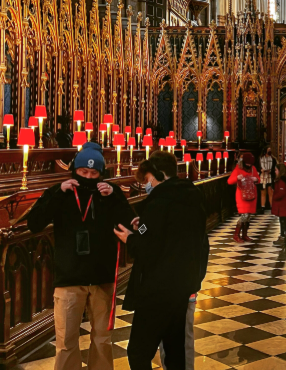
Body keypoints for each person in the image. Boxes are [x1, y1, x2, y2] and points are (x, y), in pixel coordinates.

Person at [27, 142, 135, 370]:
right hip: (69, 279)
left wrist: (114, 197)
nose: (88, 177)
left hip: (102, 278)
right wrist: (57, 192)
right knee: (66, 342)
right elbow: (34, 223)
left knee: (102, 340)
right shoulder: (61, 192)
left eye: (94, 173)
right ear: (74, 170)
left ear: (101, 173)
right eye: (83, 172)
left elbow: (134, 225)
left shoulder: (110, 193)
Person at [113, 152, 208, 370]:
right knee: (175, 352)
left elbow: (149, 249)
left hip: (158, 289)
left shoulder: (159, 202)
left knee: (138, 351)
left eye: (148, 180)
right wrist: (143, 227)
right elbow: (169, 234)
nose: (148, 185)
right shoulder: (191, 196)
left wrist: (130, 238)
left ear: (159, 174)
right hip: (183, 286)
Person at [228, 153, 259, 242]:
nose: (249, 165)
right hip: (242, 196)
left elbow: (258, 178)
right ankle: (236, 235)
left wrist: (256, 179)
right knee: (244, 215)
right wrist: (237, 177)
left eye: (250, 164)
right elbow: (229, 181)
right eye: (247, 163)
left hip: (252, 195)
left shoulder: (253, 169)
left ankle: (244, 235)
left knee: (248, 216)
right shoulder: (238, 169)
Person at [271, 163, 286, 245]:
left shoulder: (282, 181)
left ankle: (283, 237)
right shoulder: (285, 180)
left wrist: (273, 197)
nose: (275, 172)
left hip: (281, 204)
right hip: (284, 203)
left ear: (280, 171)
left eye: (276, 170)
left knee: (282, 220)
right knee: (284, 220)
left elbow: (281, 192)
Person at [257, 146, 276, 213]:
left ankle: (272, 206)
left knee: (270, 192)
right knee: (263, 192)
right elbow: (257, 167)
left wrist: (271, 171)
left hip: (270, 177)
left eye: (270, 150)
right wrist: (261, 170)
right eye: (268, 150)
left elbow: (275, 168)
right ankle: (262, 207)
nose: (269, 151)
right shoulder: (260, 158)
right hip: (263, 177)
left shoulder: (273, 159)